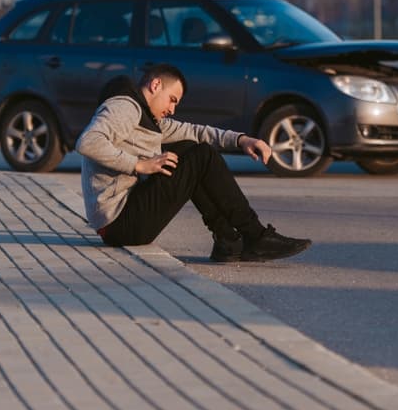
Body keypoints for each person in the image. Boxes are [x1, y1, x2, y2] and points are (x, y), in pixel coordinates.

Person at [76, 63, 311, 263]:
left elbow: (196, 132)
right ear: (155, 85)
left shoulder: (149, 119)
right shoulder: (124, 107)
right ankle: (256, 236)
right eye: (172, 100)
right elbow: (88, 141)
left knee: (190, 149)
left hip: (124, 218)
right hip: (120, 223)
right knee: (201, 156)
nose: (172, 109)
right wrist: (138, 165)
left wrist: (241, 140)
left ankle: (227, 241)